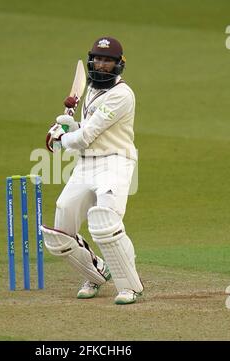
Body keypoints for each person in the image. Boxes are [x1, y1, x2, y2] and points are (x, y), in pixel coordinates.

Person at [41, 36, 144, 305]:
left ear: (118, 64)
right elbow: (84, 132)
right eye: (98, 58)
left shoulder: (122, 94)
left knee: (104, 223)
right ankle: (97, 272)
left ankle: (129, 286)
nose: (101, 64)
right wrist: (66, 127)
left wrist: (62, 138)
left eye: (107, 60)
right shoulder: (91, 89)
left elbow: (88, 135)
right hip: (87, 165)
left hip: (115, 163)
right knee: (58, 235)